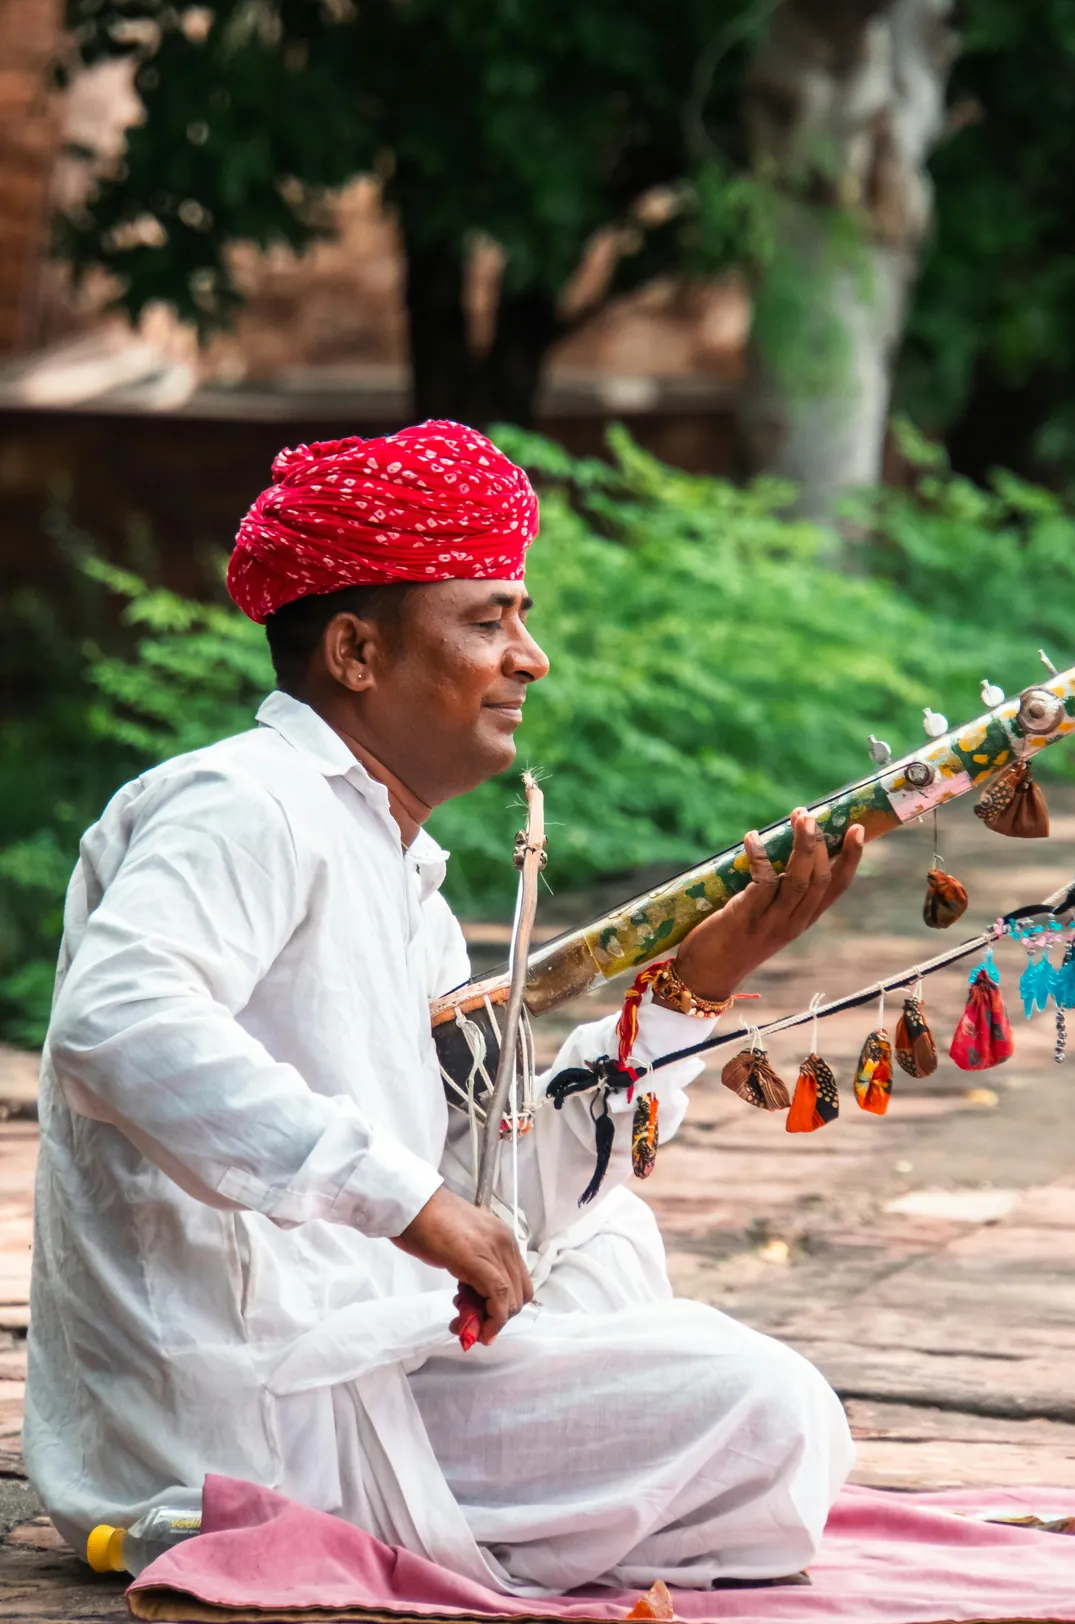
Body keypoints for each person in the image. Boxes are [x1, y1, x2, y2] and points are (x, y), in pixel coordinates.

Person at [25, 420, 863, 1595]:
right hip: (253, 1425)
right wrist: (409, 1204)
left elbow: (497, 1192)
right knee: (773, 1410)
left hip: (369, 1357)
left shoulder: (400, 870)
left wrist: (687, 993)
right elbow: (117, 1026)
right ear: (357, 652)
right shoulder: (245, 801)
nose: (532, 658)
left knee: (608, 1240)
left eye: (520, 618)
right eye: (489, 618)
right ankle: (499, 1509)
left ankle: (539, 1489)